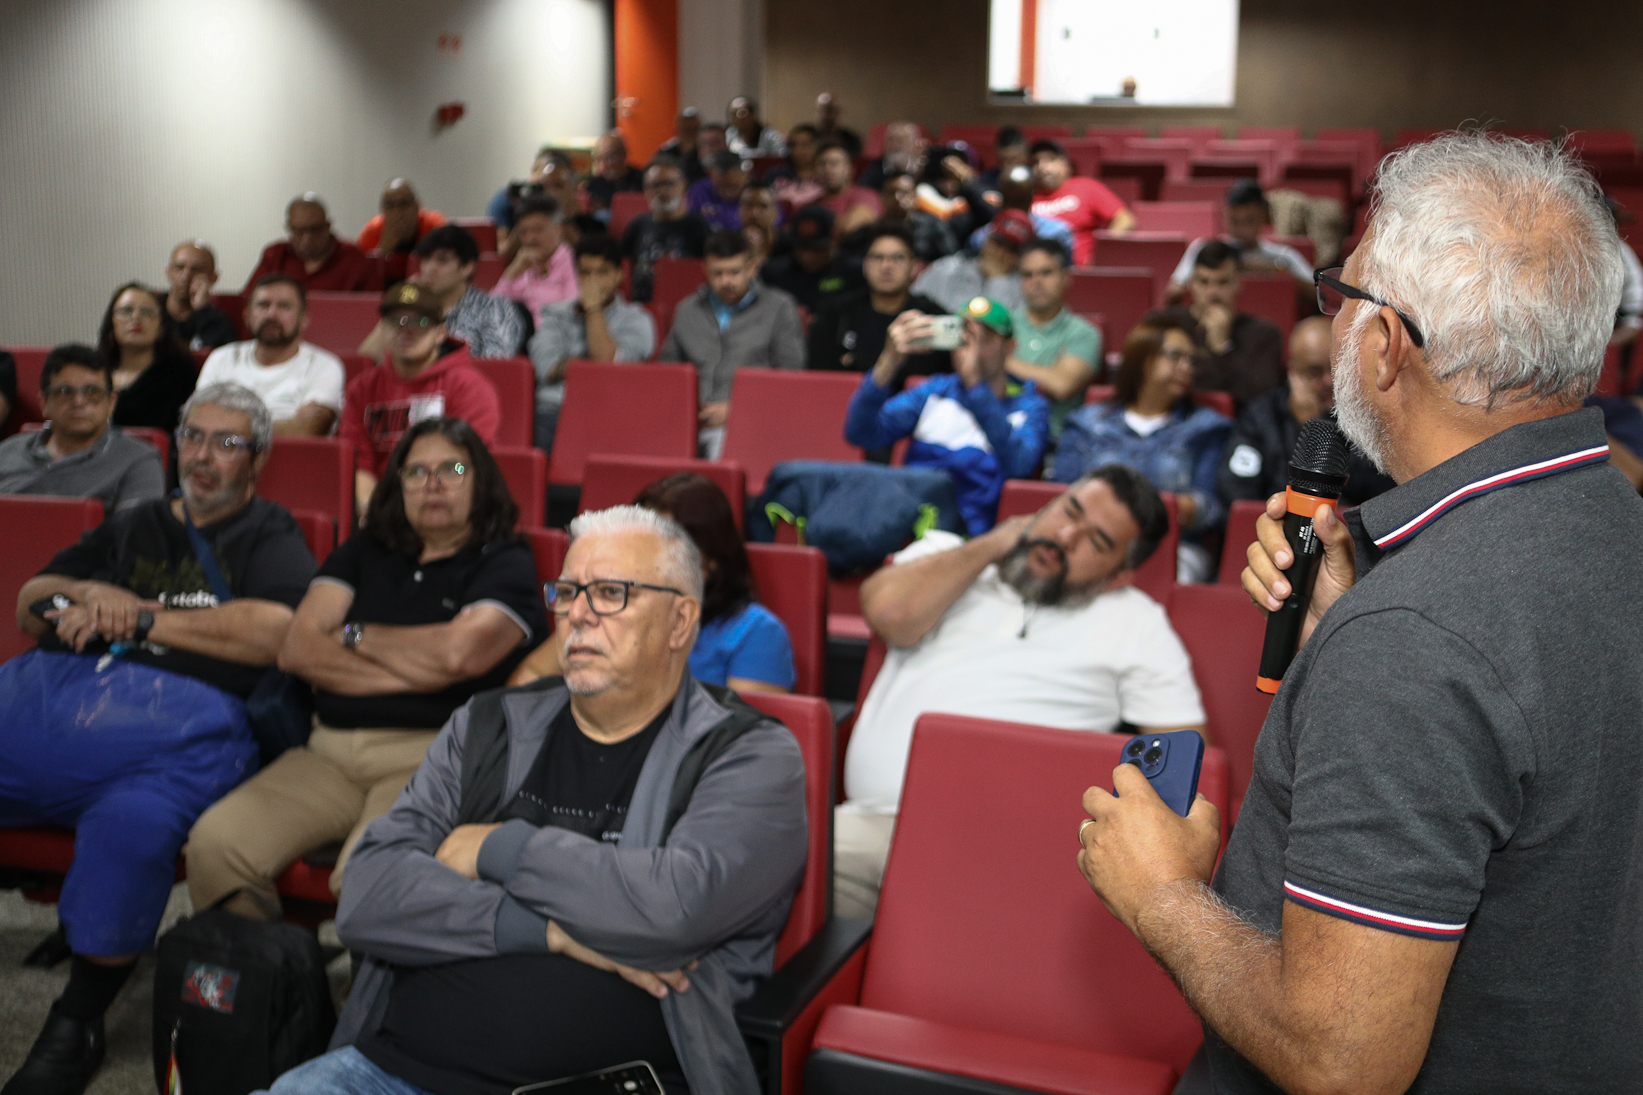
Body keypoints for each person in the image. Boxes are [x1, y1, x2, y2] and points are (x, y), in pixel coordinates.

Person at [1079, 133, 1643, 1095]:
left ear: (1384, 345)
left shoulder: (1417, 642)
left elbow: (1341, 1058)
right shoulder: (1612, 515)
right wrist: (1352, 619)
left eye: (1340, 297)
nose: (1331, 321)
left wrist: (1163, 894)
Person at [268, 505, 807, 1095]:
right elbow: (368, 894)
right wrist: (547, 929)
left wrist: (496, 847)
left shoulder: (749, 755)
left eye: (609, 593)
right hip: (390, 1071)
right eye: (568, 591)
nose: (577, 614)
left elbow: (673, 908)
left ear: (680, 622)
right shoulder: (488, 724)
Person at [0, 383, 312, 1095]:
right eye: (193, 437)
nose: (203, 457)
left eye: (226, 443)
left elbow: (277, 631)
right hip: (59, 695)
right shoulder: (134, 521)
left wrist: (138, 617)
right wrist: (80, 598)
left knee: (135, 826)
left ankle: (77, 1017)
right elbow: (31, 599)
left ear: (256, 457)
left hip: (183, 726)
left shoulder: (271, 533)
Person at [186, 417, 547, 916]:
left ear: (479, 480)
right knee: (215, 845)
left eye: (453, 468)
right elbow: (297, 650)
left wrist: (355, 634)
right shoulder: (364, 551)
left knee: (370, 874)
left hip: (428, 757)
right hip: (327, 752)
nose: (434, 483)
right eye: (416, 472)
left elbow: (457, 655)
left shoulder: (505, 560)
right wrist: (421, 671)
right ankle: (279, 978)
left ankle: (372, 994)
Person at [836, 465, 1204, 918]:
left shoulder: (1137, 622)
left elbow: (1181, 760)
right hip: (873, 827)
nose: (1065, 536)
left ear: (1117, 577)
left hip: (1014, 856)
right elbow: (889, 613)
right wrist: (994, 544)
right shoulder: (949, 553)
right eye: (1067, 511)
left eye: (1097, 541)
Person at [512, 474, 795, 693]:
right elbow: (528, 678)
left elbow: (742, 740)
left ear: (711, 562)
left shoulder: (757, 632)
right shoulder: (601, 610)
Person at [845, 297, 1048, 535]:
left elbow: (1019, 465)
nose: (973, 348)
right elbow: (861, 433)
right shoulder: (935, 390)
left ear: (1009, 347)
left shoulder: (1030, 406)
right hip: (906, 516)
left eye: (986, 338)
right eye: (965, 337)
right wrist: (887, 363)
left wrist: (975, 387)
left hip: (970, 531)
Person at [1053, 315, 1232, 582]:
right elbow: (1060, 491)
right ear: (1143, 359)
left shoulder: (1206, 428)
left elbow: (1213, 508)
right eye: (1175, 356)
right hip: (1092, 537)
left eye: (1190, 360)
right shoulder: (1087, 423)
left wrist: (1182, 507)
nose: (1186, 367)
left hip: (1173, 547)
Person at [339, 283, 501, 515]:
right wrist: (374, 513)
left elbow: (465, 463)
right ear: (382, 330)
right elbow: (359, 465)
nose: (406, 330)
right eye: (396, 321)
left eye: (420, 322)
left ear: (440, 333)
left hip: (446, 505)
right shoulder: (362, 389)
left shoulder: (469, 387)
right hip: (381, 510)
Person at [1217, 315, 1393, 512]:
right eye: (1314, 372)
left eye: (1334, 368)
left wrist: (1320, 424)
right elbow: (1235, 493)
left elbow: (1379, 497)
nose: (1328, 381)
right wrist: (1306, 428)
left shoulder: (1366, 416)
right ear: (1293, 371)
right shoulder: (1261, 417)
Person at [660, 230, 805, 458]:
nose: (726, 281)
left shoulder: (779, 308)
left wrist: (737, 411)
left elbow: (791, 378)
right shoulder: (687, 310)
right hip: (687, 421)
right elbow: (667, 375)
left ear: (752, 269)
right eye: (717, 273)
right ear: (705, 271)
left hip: (753, 425)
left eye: (734, 272)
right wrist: (688, 412)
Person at [530, 234, 658, 453]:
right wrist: (590, 368)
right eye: (586, 273)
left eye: (602, 272)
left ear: (619, 275)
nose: (594, 281)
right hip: (553, 409)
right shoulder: (555, 314)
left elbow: (609, 366)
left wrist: (593, 310)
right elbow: (545, 366)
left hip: (611, 412)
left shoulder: (637, 320)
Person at [0, 344, 165, 513]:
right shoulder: (6, 453)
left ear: (111, 402)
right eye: (64, 391)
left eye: (92, 391)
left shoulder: (137, 461)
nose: (78, 402)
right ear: (44, 403)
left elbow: (138, 534)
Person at [196, 275, 346, 436]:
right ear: (247, 316)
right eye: (263, 305)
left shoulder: (324, 366)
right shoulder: (221, 358)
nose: (271, 314)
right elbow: (200, 422)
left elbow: (306, 430)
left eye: (284, 306)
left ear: (303, 319)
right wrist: (288, 425)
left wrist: (228, 430)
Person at [809, 222, 950, 385]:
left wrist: (857, 362)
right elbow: (820, 376)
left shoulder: (932, 318)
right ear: (864, 265)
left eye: (897, 258)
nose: (886, 266)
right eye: (878, 257)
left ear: (914, 266)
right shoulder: (835, 314)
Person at [1161, 240, 1285, 412]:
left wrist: (1223, 348)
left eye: (1222, 282)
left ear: (1238, 283)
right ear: (1191, 284)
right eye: (1204, 282)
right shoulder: (1164, 325)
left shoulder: (1263, 334)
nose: (1212, 293)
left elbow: (1262, 402)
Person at [387, 224, 527, 360]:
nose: (429, 268)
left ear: (467, 267)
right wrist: (401, 303)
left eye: (442, 260)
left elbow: (496, 364)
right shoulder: (414, 309)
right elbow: (371, 358)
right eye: (426, 260)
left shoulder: (495, 307)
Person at [1008, 239, 1102, 439]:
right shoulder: (1003, 325)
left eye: (1046, 273)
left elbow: (1061, 384)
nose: (1036, 282)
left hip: (1056, 441)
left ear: (1066, 277)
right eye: (1027, 275)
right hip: (1001, 432)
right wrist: (1046, 374)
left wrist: (1003, 362)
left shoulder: (1084, 333)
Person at [1167, 180, 1314, 302]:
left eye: (1249, 220)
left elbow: (1320, 295)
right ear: (1225, 218)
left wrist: (1275, 272)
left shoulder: (1283, 257)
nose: (1242, 229)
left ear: (1263, 217)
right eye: (1234, 221)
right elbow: (1172, 293)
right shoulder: (1204, 249)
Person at [95, 282, 196, 433]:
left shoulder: (179, 374)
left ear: (161, 327)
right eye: (126, 311)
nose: (136, 318)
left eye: (147, 312)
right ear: (112, 322)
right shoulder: (94, 370)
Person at [245, 193, 384, 293]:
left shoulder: (356, 260)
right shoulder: (274, 255)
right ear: (289, 228)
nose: (307, 238)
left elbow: (371, 311)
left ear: (328, 226)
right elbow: (248, 300)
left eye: (314, 230)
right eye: (299, 231)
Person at [1029, 139, 1136, 265]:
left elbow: (1125, 220)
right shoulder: (1026, 196)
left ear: (1066, 165)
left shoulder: (1086, 187)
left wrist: (1100, 256)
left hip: (1080, 270)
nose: (1042, 167)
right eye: (1036, 162)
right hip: (1038, 270)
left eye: (1050, 160)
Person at [621, 157, 710, 304]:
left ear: (683, 185)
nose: (663, 191)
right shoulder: (637, 225)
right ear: (645, 189)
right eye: (655, 185)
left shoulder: (698, 226)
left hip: (687, 303)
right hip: (641, 304)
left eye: (669, 184)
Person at [913, 208, 1030, 314]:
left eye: (1011, 250)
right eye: (998, 244)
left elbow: (998, 328)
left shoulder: (1024, 289)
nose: (1000, 254)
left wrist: (998, 280)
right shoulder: (947, 269)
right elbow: (914, 303)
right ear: (987, 240)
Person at [760, 205, 861, 313]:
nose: (807, 256)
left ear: (835, 242)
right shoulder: (773, 274)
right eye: (802, 248)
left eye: (816, 249)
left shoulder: (855, 273)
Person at [493, 195, 579, 320]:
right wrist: (512, 272)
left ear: (559, 229)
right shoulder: (524, 266)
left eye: (538, 230)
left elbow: (572, 314)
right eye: (523, 232)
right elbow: (491, 312)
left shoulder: (575, 263)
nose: (530, 238)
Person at [357, 178, 448, 285]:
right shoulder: (372, 232)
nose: (397, 212)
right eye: (390, 205)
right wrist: (383, 250)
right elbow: (360, 278)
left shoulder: (435, 228)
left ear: (416, 207)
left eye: (404, 204)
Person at [488, 149, 580, 252]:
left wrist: (565, 213)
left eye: (558, 185)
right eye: (545, 184)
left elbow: (581, 252)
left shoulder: (576, 205)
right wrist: (528, 211)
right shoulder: (509, 199)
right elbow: (503, 253)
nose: (551, 192)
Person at [163, 241, 237, 351]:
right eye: (179, 267)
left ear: (213, 278)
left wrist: (202, 311)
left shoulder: (219, 322)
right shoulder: (152, 311)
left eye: (196, 270)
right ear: (169, 272)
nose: (186, 276)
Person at [876, 171, 958, 261]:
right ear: (882, 197)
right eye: (891, 192)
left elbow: (951, 261)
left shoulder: (934, 226)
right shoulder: (873, 231)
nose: (897, 197)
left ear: (915, 196)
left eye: (904, 192)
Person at [815, 140, 882, 236]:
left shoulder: (867, 196)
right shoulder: (812, 204)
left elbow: (851, 228)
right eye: (822, 164)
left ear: (850, 169)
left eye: (834, 163)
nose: (827, 169)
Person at [764, 123, 825, 211]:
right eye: (793, 145)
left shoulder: (826, 176)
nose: (797, 150)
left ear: (817, 146)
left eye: (805, 145)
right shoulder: (775, 174)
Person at [687, 150, 749, 232]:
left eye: (733, 187)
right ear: (711, 174)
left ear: (745, 176)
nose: (726, 192)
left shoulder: (757, 193)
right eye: (720, 187)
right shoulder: (698, 190)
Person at [585, 131, 645, 214]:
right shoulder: (592, 187)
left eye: (611, 157)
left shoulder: (644, 181)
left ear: (624, 154)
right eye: (600, 158)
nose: (606, 164)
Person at [860, 121, 926, 193]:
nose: (895, 145)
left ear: (913, 144)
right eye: (891, 140)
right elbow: (865, 192)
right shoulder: (874, 168)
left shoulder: (923, 170)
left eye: (901, 140)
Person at [655, 106, 703, 181]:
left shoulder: (705, 154)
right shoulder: (666, 153)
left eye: (694, 129)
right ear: (677, 129)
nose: (689, 133)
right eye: (686, 129)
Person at [739, 184, 782, 264]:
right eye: (748, 205)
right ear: (739, 211)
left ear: (775, 212)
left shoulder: (789, 247)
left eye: (763, 206)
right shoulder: (729, 246)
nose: (754, 213)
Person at [977, 125, 1028, 192]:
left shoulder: (1035, 180)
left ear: (1025, 156)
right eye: (1003, 160)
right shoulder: (985, 181)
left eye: (1014, 160)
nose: (1008, 166)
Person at [814, 91, 863, 158]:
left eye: (831, 109)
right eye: (823, 110)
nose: (826, 114)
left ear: (839, 112)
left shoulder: (851, 139)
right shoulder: (810, 137)